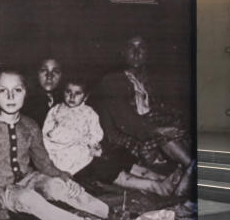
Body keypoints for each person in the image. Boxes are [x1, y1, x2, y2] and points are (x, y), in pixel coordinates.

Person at [0, 70, 112, 220]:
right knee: (27, 198)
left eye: (17, 90)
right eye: (3, 90)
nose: (10, 97)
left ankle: (112, 213)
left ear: (26, 93)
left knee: (57, 186)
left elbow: (43, 162)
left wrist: (65, 178)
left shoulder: (30, 125)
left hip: (29, 179)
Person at [93, 35, 195, 197]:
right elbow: (124, 119)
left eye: (141, 48)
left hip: (147, 131)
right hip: (123, 137)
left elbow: (165, 109)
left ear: (147, 53)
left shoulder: (150, 79)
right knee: (164, 132)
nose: (136, 52)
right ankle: (191, 166)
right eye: (131, 47)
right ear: (122, 52)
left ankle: (189, 167)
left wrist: (175, 125)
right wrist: (158, 130)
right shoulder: (111, 80)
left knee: (179, 127)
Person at [44, 76, 179, 198]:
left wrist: (93, 144)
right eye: (68, 92)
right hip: (68, 160)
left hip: (88, 153)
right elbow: (46, 134)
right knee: (114, 173)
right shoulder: (56, 111)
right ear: (63, 92)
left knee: (119, 158)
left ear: (85, 97)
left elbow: (96, 133)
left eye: (77, 93)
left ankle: (159, 177)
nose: (72, 97)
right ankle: (155, 186)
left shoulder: (88, 112)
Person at [25, 57, 64, 128]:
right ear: (36, 73)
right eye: (44, 70)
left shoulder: (69, 101)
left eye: (56, 71)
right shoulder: (26, 102)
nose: (49, 76)